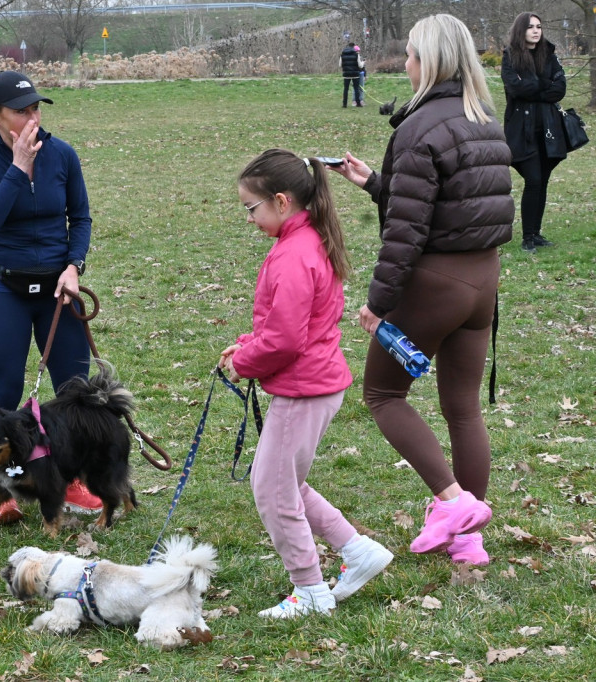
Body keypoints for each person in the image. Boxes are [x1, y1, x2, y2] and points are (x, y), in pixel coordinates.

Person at [331, 14, 514, 566]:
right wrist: (376, 185)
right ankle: (469, 539)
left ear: (428, 60)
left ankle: (452, 502)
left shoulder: (418, 127)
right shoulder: (483, 118)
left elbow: (407, 236)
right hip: (483, 281)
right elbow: (445, 206)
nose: (405, 62)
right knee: (463, 407)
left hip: (433, 283)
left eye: (410, 53)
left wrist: (377, 304)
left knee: (384, 396)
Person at [219, 150, 393, 619]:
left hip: (303, 388)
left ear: (280, 201)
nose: (249, 218)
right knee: (283, 481)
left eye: (251, 208)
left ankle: (310, 591)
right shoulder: (304, 239)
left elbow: (285, 339)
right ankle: (357, 550)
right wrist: (246, 346)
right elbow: (289, 323)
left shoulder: (294, 253)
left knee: (272, 490)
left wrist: (246, 362)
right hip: (312, 381)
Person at [0, 70, 102, 524]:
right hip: (6, 285)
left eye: (36, 108)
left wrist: (73, 267)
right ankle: (3, 489)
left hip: (59, 288)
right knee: (3, 391)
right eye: (22, 111)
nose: (32, 118)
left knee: (73, 392)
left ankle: (72, 479)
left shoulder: (62, 154)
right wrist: (18, 166)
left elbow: (79, 218)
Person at [502, 12, 567, 252]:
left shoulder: (549, 54)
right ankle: (527, 237)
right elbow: (516, 87)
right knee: (534, 180)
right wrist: (543, 84)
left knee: (543, 181)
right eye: (530, 27)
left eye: (539, 26)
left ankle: (536, 233)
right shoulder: (510, 57)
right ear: (521, 30)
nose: (536, 31)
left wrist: (536, 87)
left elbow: (559, 89)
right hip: (522, 130)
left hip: (548, 129)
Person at [340, 42, 365, 108]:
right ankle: (358, 103)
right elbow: (360, 65)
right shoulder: (356, 54)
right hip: (355, 74)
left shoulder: (342, 54)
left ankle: (344, 104)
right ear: (354, 47)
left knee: (346, 89)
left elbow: (340, 65)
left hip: (346, 74)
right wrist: (363, 62)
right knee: (356, 89)